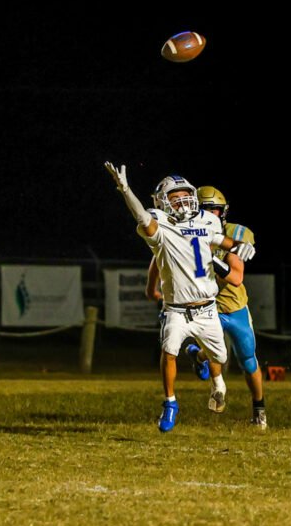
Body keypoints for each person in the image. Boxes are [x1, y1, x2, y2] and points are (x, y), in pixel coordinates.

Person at [105, 162, 254, 432]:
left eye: (185, 194)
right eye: (174, 197)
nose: (182, 200)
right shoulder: (160, 226)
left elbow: (222, 240)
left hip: (208, 308)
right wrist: (125, 190)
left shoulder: (206, 221)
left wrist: (241, 247)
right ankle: (170, 402)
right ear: (163, 202)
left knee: (219, 358)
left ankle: (208, 370)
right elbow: (142, 218)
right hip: (176, 309)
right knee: (169, 351)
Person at [148, 185, 267, 429]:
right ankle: (216, 384)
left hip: (234, 306)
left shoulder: (234, 233)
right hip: (204, 307)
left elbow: (235, 277)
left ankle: (259, 408)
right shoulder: (182, 228)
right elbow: (159, 255)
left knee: (247, 358)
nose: (210, 214)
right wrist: (153, 288)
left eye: (215, 210)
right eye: (205, 209)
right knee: (215, 355)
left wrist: (204, 256)